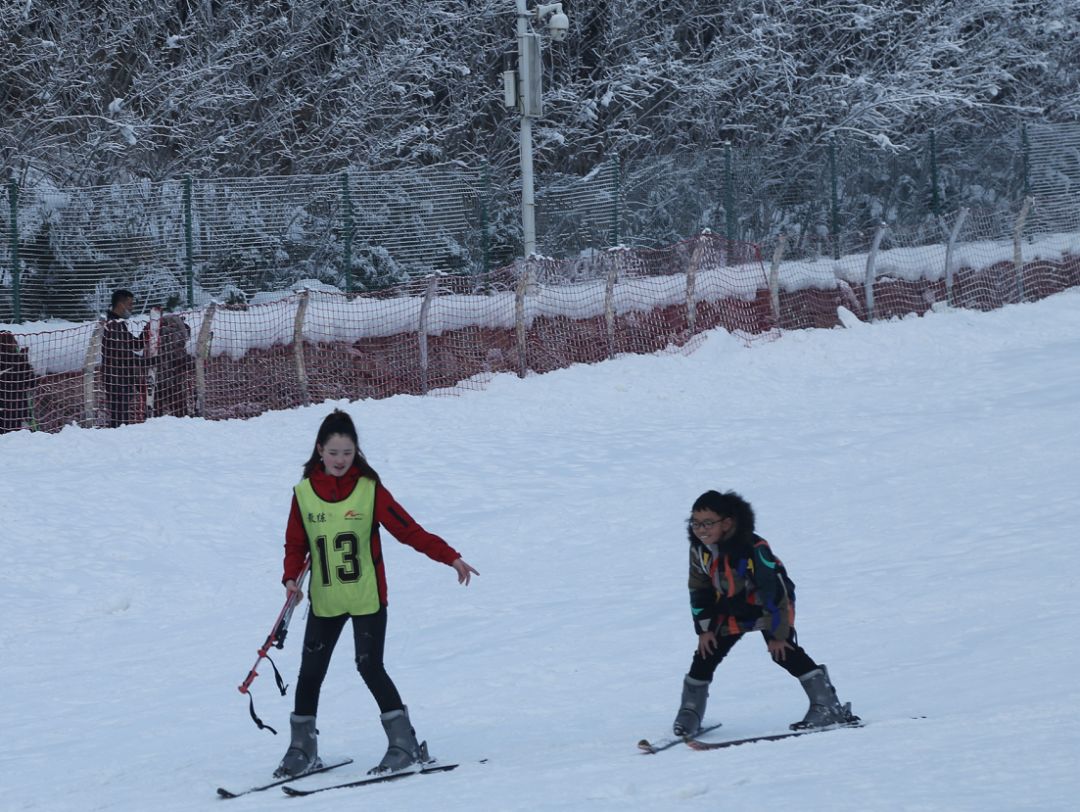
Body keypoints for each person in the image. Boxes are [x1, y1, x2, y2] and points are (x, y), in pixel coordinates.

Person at [276, 409, 479, 779]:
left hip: (368, 597)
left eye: (347, 453)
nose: (340, 460)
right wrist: (291, 579)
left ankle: (404, 744)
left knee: (369, 666)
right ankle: (302, 748)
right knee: (310, 673)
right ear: (320, 450)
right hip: (326, 601)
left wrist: (450, 556)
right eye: (334, 452)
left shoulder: (370, 490)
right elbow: (295, 544)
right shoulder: (303, 495)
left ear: (356, 453)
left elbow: (409, 531)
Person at [672, 490, 857, 737]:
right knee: (706, 654)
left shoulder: (753, 548)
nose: (701, 529)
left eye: (708, 523)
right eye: (695, 523)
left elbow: (775, 591)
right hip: (729, 608)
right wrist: (704, 629)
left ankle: (827, 706)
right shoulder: (700, 551)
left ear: (726, 523)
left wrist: (778, 633)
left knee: (783, 653)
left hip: (768, 606)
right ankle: (691, 711)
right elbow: (699, 589)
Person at [100, 289, 145, 427]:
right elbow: (125, 355)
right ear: (121, 305)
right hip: (116, 380)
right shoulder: (112, 326)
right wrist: (150, 362)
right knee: (120, 420)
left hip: (123, 379)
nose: (131, 308)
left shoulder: (119, 324)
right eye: (130, 304)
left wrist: (149, 330)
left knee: (122, 418)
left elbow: (135, 344)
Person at [0, 331, 34, 433]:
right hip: (18, 409)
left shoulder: (18, 360)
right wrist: (25, 360)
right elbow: (32, 383)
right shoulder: (19, 360)